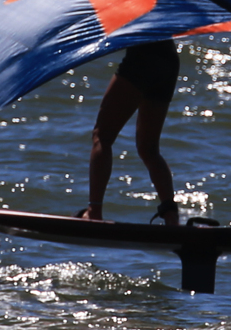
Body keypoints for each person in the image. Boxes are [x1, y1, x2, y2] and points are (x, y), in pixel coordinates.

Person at [76, 40, 180, 226]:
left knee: (102, 137)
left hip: (142, 57)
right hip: (168, 59)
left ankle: (94, 212)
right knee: (149, 149)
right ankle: (171, 217)